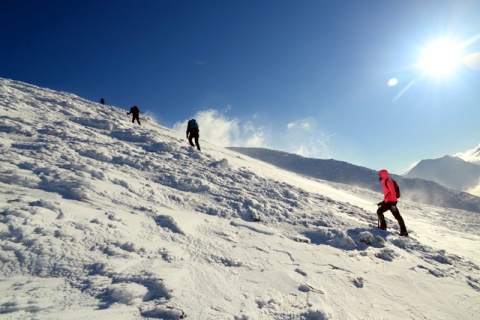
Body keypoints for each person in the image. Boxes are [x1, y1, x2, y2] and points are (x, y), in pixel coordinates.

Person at [377, 169, 408, 236]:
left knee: (379, 211)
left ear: (383, 175)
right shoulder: (385, 182)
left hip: (391, 203)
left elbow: (393, 193)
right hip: (389, 202)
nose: (379, 176)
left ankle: (383, 227)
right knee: (397, 216)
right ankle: (404, 231)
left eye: (380, 175)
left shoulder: (388, 182)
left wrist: (393, 204)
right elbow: (388, 195)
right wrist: (383, 202)